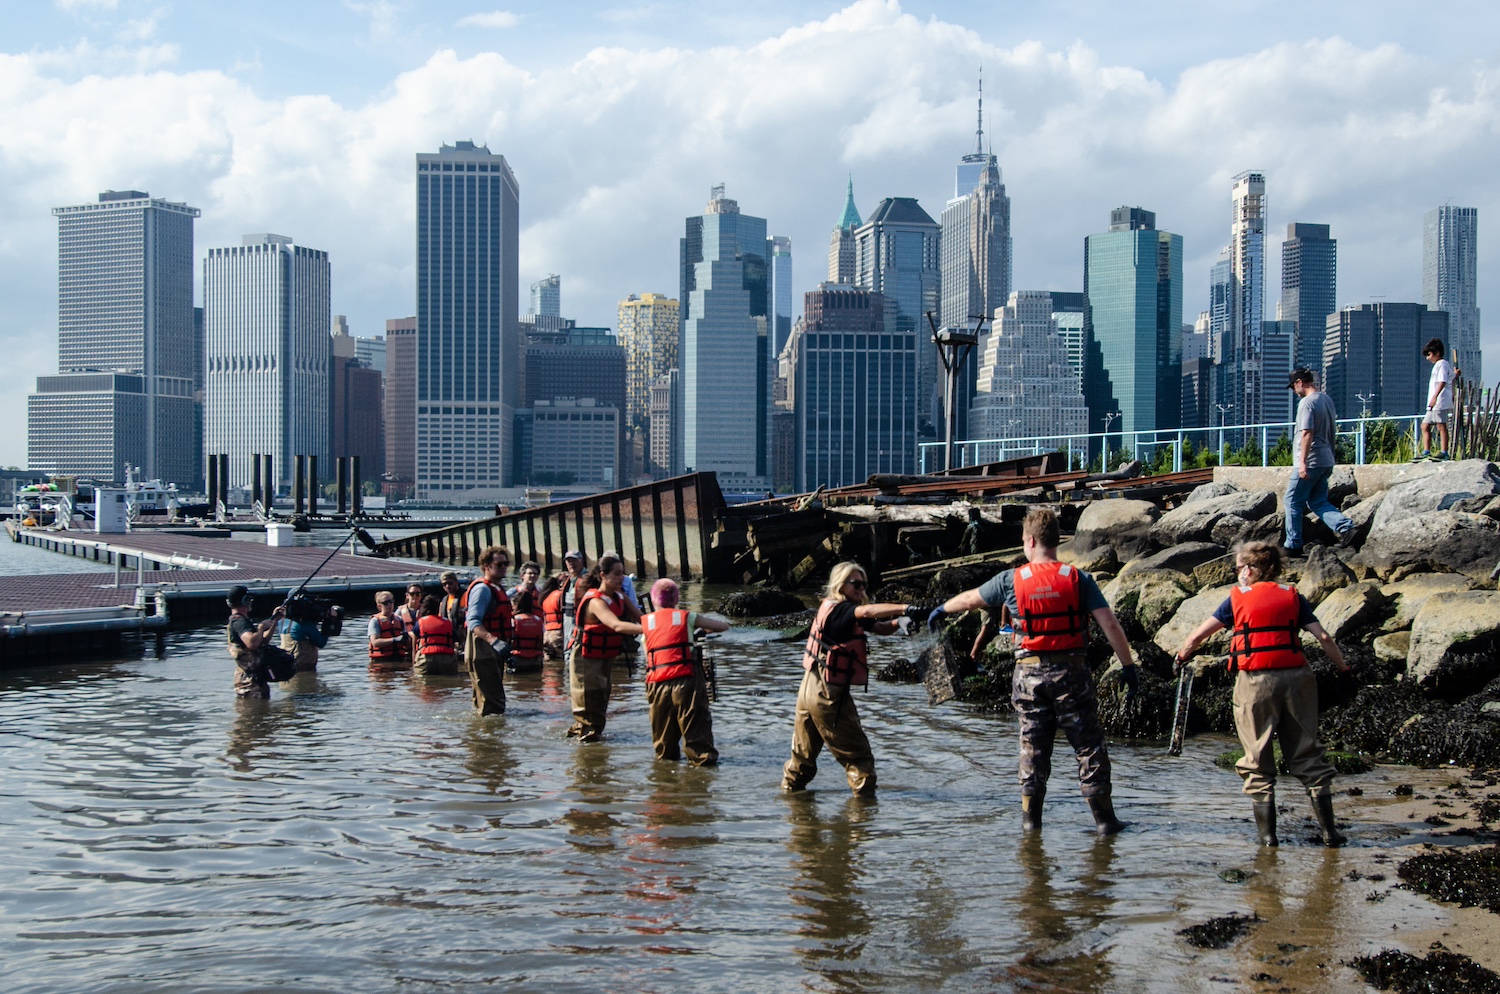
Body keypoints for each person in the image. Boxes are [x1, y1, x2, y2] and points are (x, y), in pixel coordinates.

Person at [927, 507, 1139, 834]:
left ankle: (1030, 823)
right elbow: (1109, 624)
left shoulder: (1011, 580)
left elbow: (970, 600)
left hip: (1029, 676)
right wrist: (1128, 666)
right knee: (1088, 745)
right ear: (1055, 541)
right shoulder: (1078, 578)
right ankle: (1105, 821)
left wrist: (940, 608)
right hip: (1073, 674)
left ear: (1029, 541)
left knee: (1032, 745)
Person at [1174, 540, 1351, 847]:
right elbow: (1323, 636)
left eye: (1239, 568)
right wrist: (1344, 672)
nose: (1237, 574)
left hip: (1255, 680)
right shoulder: (1292, 595)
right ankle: (1330, 833)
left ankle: (1268, 838)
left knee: (1257, 759)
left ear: (1251, 570)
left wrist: (1180, 658)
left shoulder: (1236, 599)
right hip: (1298, 679)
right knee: (1307, 755)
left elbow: (1198, 636)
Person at [781, 562, 929, 796]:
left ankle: (793, 810)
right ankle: (861, 824)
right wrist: (905, 608)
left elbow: (877, 626)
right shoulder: (841, 610)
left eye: (864, 584)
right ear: (840, 585)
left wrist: (898, 623)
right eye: (856, 584)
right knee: (860, 760)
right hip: (827, 695)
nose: (861, 589)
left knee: (802, 761)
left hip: (808, 689)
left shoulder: (835, 609)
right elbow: (867, 612)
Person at [641, 578, 730, 765]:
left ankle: (666, 779)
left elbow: (648, 655)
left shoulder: (646, 623)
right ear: (676, 599)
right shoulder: (685, 617)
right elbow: (722, 627)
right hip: (686, 680)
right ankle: (701, 775)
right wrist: (699, 626)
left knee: (663, 742)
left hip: (657, 683)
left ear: (653, 600)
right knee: (697, 733)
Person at [567, 553, 642, 742]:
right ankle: (586, 748)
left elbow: (641, 618)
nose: (621, 578)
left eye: (622, 574)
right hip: (585, 656)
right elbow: (616, 625)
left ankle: (592, 740)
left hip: (605, 654)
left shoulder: (619, 596)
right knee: (587, 699)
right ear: (603, 575)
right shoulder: (596, 602)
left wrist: (670, 622)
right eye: (617, 574)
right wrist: (653, 630)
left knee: (601, 697)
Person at [1285, 368, 1354, 555]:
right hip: (1326, 459)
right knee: (1316, 500)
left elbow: (1307, 432)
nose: (1293, 391)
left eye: (1293, 386)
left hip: (1312, 460)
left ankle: (1293, 544)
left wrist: (1302, 462)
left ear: (1299, 382)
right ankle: (1346, 528)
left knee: (1291, 500)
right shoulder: (1327, 400)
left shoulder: (1307, 403)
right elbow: (1332, 429)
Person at [463, 546, 514, 715]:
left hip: (494, 652)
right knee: (491, 705)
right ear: (486, 565)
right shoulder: (482, 590)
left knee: (493, 701)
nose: (503, 567)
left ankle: (487, 737)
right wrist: (493, 640)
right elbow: (472, 621)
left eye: (505, 564)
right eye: (499, 564)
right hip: (483, 651)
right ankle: (487, 738)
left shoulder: (497, 588)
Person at [226, 585, 286, 697]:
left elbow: (262, 641)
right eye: (249, 599)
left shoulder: (243, 621)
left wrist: (274, 621)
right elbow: (252, 643)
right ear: (245, 601)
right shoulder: (239, 622)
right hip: (249, 682)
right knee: (251, 713)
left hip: (256, 678)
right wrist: (261, 627)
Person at [1418, 338, 1456, 462]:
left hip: (1440, 401)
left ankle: (1444, 452)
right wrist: (1456, 374)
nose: (1428, 358)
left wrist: (1435, 397)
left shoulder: (1442, 364)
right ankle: (1426, 451)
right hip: (1433, 403)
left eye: (1429, 354)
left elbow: (1442, 381)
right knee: (1425, 425)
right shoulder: (1440, 366)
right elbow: (1451, 375)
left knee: (1441, 425)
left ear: (1437, 353)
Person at [413, 594, 459, 676]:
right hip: (447, 659)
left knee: (420, 683)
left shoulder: (420, 622)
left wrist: (414, 662)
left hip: (426, 658)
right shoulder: (448, 623)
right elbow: (456, 641)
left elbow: (414, 646)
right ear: (438, 608)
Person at [367, 590, 411, 672]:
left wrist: (406, 639)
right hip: (380, 662)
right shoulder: (375, 621)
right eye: (386, 603)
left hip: (398, 659)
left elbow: (407, 643)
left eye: (391, 601)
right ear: (379, 606)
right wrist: (394, 640)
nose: (389, 605)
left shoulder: (399, 620)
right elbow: (375, 642)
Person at [508, 588, 546, 673]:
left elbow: (508, 640)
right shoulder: (539, 621)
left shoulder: (513, 621)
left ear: (517, 605)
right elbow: (542, 642)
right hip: (535, 661)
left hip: (517, 660)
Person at [539, 574, 567, 661]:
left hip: (547, 633)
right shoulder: (560, 595)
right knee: (561, 661)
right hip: (558, 632)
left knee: (549, 662)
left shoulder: (546, 597)